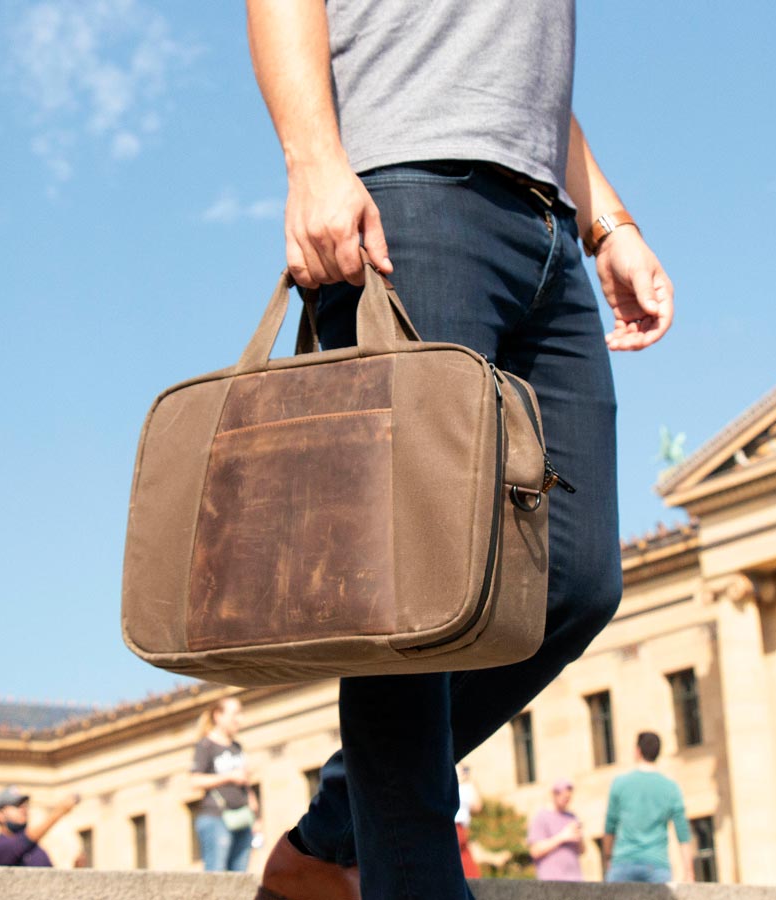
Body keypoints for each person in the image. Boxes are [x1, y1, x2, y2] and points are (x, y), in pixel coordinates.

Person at [246, 1, 674, 896]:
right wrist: (314, 162)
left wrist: (611, 225)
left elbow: (521, 81)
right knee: (414, 593)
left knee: (578, 578)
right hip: (409, 196)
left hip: (548, 227)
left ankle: (330, 832)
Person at [603, 732, 693, 884]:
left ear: (638, 751)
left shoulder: (620, 784)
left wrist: (608, 858)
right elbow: (682, 832)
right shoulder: (670, 788)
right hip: (656, 864)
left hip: (624, 862)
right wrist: (689, 872)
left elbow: (610, 826)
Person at [189, 696, 260, 872]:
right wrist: (229, 777)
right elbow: (194, 780)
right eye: (235, 714)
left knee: (240, 876)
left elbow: (243, 783)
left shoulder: (237, 746)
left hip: (243, 817)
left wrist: (256, 814)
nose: (240, 719)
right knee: (217, 875)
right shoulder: (206, 745)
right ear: (218, 716)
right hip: (216, 818)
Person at [0, 786, 78, 867]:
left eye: (25, 805)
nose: (23, 809)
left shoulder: (36, 848)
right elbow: (23, 842)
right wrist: (60, 811)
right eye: (16, 805)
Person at [528, 779, 586, 882]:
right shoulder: (541, 817)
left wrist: (579, 836)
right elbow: (535, 851)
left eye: (568, 797)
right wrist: (562, 837)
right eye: (563, 796)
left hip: (574, 879)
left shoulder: (572, 817)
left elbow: (582, 851)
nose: (565, 799)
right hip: (552, 880)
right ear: (554, 795)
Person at [455, 765, 483, 878]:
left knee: (469, 871)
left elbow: (477, 806)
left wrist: (472, 780)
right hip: (452, 827)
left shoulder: (466, 785)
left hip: (462, 828)